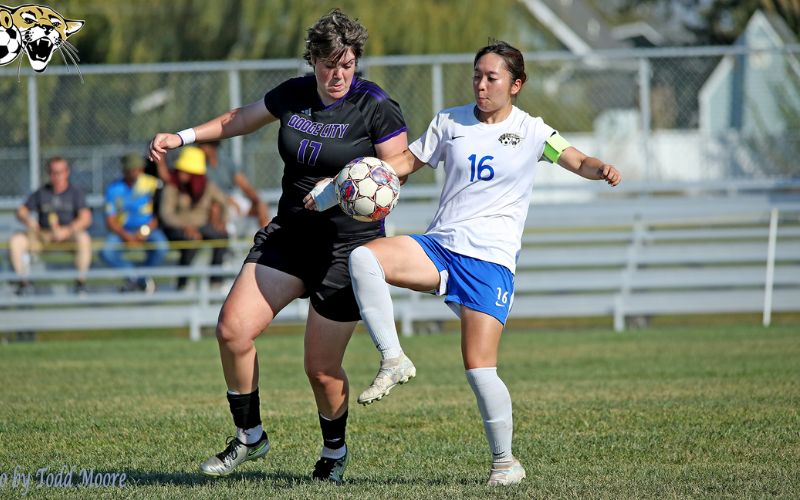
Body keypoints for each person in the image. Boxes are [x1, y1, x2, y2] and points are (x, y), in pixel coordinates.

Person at [322, 41, 621, 486]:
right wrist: (343, 184)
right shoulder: (449, 121)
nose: (481, 85)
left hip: (489, 262)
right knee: (365, 258)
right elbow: (406, 161)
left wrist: (601, 169)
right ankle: (393, 359)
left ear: (515, 85)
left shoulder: (533, 131)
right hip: (439, 247)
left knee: (479, 367)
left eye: (492, 78)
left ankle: (505, 463)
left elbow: (574, 158)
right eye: (477, 75)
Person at [147, 8, 407, 484]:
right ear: (313, 59)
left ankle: (334, 451)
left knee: (321, 369)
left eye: (347, 64)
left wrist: (341, 186)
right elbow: (240, 118)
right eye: (329, 62)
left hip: (346, 253)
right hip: (290, 235)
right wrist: (181, 136)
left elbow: (398, 166)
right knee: (232, 331)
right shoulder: (294, 93)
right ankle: (250, 436)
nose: (338, 74)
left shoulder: (375, 104)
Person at [8, 156, 93, 295]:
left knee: (84, 238)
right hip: (43, 235)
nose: (57, 176)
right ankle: (23, 284)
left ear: (67, 172)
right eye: (54, 172)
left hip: (68, 235)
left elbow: (86, 218)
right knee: (16, 240)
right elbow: (21, 212)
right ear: (49, 174)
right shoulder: (41, 192)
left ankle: (80, 284)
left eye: (60, 172)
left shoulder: (75, 193)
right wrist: (28, 220)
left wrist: (68, 230)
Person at [158, 146, 229, 290]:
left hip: (201, 225)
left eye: (186, 170)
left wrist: (222, 220)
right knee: (191, 241)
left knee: (221, 236)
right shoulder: (172, 186)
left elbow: (224, 202)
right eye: (181, 169)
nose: (181, 173)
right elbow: (166, 215)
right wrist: (185, 226)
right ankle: (182, 284)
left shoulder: (207, 186)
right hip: (176, 228)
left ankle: (215, 281)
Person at [100, 153, 169, 293]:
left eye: (137, 169)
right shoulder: (114, 189)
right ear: (124, 170)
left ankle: (137, 280)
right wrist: (126, 235)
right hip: (122, 231)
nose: (135, 172)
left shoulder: (152, 184)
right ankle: (138, 279)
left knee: (161, 246)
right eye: (131, 169)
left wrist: (145, 231)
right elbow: (110, 220)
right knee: (106, 252)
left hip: (147, 230)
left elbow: (158, 215)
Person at [197, 141, 271, 236]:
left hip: (234, 199)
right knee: (215, 209)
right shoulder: (199, 165)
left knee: (261, 206)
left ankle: (265, 242)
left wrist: (256, 199)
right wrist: (227, 200)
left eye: (203, 145)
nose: (200, 148)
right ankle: (222, 245)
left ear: (213, 146)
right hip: (216, 202)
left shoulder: (226, 162)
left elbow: (244, 185)